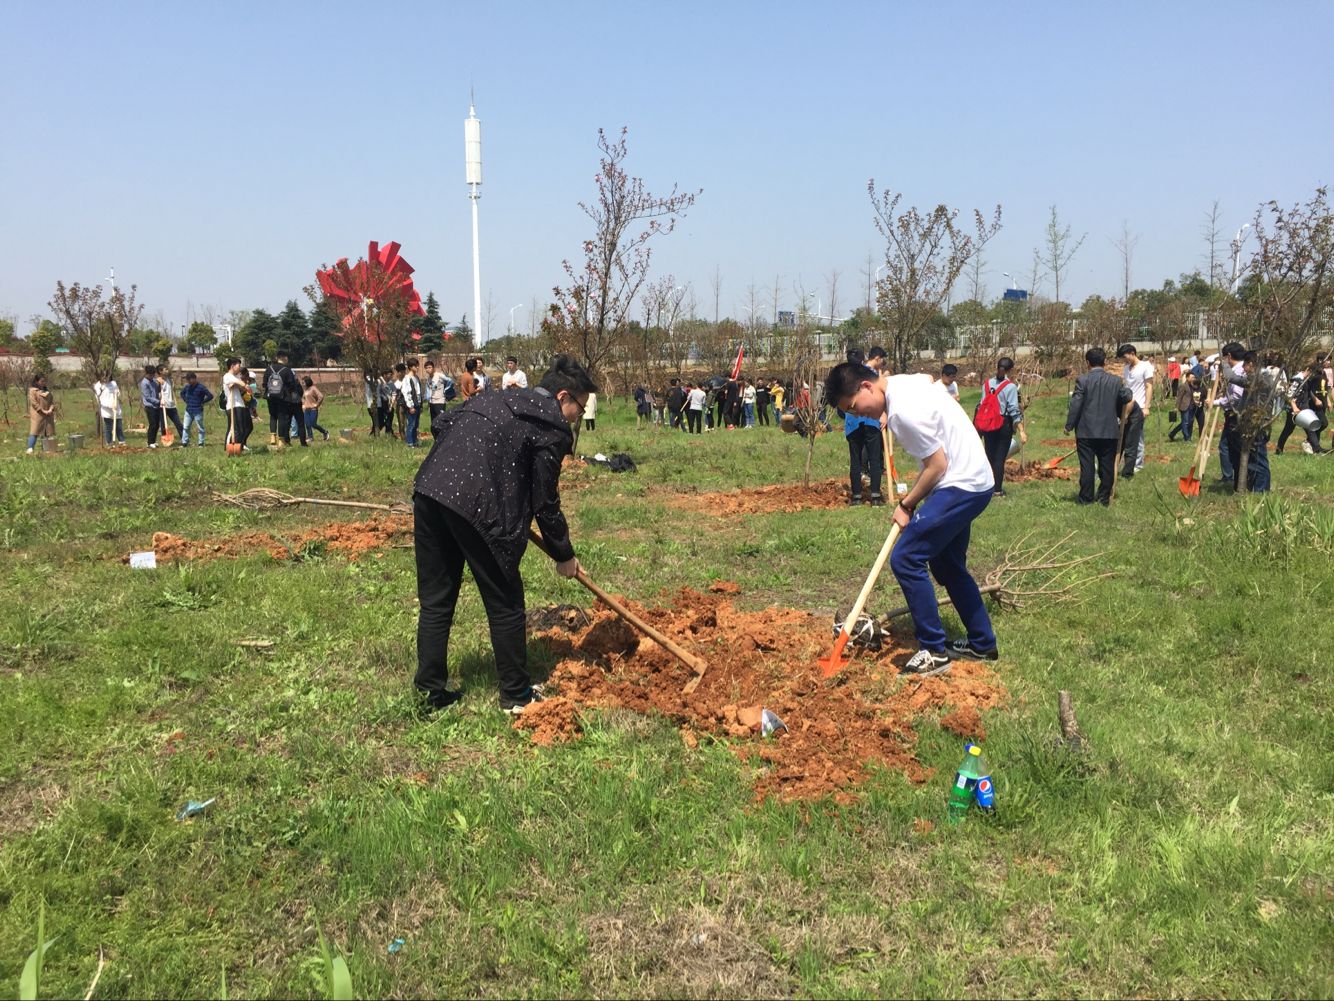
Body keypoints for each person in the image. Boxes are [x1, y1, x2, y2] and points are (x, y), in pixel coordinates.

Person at [413, 354, 595, 715]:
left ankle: (429, 693)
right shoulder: (551, 424)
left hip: (430, 489)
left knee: (436, 600)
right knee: (506, 601)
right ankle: (516, 696)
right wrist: (564, 554)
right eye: (580, 406)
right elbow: (545, 501)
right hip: (477, 505)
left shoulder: (497, 396)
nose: (578, 415)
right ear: (563, 397)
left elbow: (443, 424)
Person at [825, 362, 998, 677]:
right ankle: (982, 643)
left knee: (906, 558)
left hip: (961, 483)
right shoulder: (902, 384)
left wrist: (906, 505)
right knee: (946, 564)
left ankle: (933, 651)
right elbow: (927, 377)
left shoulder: (902, 413)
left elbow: (937, 465)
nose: (857, 415)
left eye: (853, 407)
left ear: (866, 386)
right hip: (976, 479)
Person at [1064, 348, 1134, 506]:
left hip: (1086, 431)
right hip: (1109, 431)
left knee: (1087, 466)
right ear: (1105, 362)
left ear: (1087, 363)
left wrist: (1069, 425)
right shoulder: (1115, 381)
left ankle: (1086, 498)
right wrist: (1126, 391)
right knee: (1107, 466)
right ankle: (1104, 498)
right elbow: (1127, 396)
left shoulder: (1083, 380)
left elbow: (1076, 404)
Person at [1218, 345, 1277, 492]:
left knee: (1258, 459)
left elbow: (1231, 378)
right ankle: (1255, 488)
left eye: (1244, 365)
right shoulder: (1265, 377)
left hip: (1257, 423)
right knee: (1254, 457)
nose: (1243, 369)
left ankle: (1261, 491)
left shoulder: (1258, 379)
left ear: (1251, 364)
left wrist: (1224, 363)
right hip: (1257, 421)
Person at [974, 357, 1025, 497]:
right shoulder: (1010, 387)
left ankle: (987, 487)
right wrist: (1021, 430)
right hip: (1003, 424)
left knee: (989, 456)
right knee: (999, 458)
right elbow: (1013, 409)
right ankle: (997, 490)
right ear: (1010, 370)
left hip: (988, 424)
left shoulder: (986, 384)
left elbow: (982, 404)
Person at [1115, 344, 1154, 478]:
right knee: (1125, 435)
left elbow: (1149, 386)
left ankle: (1138, 464)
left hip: (1139, 406)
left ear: (1132, 353)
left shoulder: (1145, 366)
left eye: (1125, 357)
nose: (1124, 360)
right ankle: (1125, 462)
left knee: (1137, 437)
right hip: (1127, 406)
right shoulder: (1126, 368)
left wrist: (1146, 407)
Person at [1276, 361, 1328, 454]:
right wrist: (1294, 407)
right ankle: (1279, 450)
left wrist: (1315, 399)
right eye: (1312, 373)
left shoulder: (1306, 380)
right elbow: (1289, 394)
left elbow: (1308, 391)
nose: (1312, 376)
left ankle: (1317, 449)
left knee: (1310, 427)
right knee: (1288, 430)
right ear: (1308, 369)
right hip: (1295, 409)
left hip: (1304, 408)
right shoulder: (1297, 380)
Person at [841, 403, 884, 506]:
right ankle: (875, 497)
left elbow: (841, 409)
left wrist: (853, 411)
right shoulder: (872, 392)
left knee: (855, 460)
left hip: (853, 423)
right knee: (874, 459)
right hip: (872, 420)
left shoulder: (845, 392)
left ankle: (856, 497)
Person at [265, 351, 308, 447]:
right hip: (283, 398)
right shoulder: (287, 370)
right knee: (282, 418)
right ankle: (282, 440)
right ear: (284, 357)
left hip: (270, 396)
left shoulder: (269, 369)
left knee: (273, 416)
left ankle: (273, 437)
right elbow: (292, 385)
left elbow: (264, 384)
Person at [222, 357, 253, 451]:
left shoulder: (236, 377)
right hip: (232, 405)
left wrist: (242, 385)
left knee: (241, 429)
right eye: (238, 366)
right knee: (233, 428)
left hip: (240, 405)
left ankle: (238, 447)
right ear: (232, 366)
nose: (239, 368)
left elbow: (241, 386)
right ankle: (228, 446)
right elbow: (239, 383)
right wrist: (243, 385)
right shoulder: (227, 376)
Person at [179, 372, 213, 447]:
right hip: (188, 410)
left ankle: (201, 443)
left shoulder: (201, 387)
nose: (188, 381)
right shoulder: (187, 387)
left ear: (194, 378)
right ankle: (184, 443)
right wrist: (186, 400)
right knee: (185, 427)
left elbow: (210, 396)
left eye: (189, 380)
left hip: (198, 410)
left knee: (200, 427)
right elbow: (182, 393)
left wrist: (202, 402)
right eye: (187, 380)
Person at [26, 374, 55, 454]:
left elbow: (52, 402)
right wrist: (42, 410)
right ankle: (30, 448)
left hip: (48, 414)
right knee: (35, 431)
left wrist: (50, 409)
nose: (43, 383)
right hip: (38, 414)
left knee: (47, 432)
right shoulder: (33, 391)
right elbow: (34, 403)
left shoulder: (47, 391)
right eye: (42, 381)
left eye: (44, 381)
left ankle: (46, 448)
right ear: (37, 381)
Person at [1167, 371, 1200, 443]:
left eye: (1194, 377)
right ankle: (1186, 438)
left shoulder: (1193, 386)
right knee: (1185, 423)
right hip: (1184, 406)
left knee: (1189, 422)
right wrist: (1176, 407)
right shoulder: (1183, 386)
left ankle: (1172, 434)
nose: (1193, 379)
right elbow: (1179, 397)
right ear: (1187, 378)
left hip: (1192, 407)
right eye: (1191, 377)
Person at [93, 374, 126, 445]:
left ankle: (122, 441)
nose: (105, 379)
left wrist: (117, 394)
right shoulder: (97, 386)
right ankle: (109, 442)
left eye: (106, 377)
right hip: (106, 411)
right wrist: (110, 406)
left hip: (116, 409)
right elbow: (99, 400)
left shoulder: (113, 383)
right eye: (103, 377)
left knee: (119, 426)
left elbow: (118, 393)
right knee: (108, 427)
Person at [157, 368, 184, 443]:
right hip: (162, 406)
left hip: (171, 406)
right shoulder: (158, 381)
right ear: (160, 371)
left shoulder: (170, 380)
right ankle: (165, 440)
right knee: (163, 425)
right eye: (165, 369)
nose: (167, 370)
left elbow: (172, 391)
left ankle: (184, 439)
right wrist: (160, 399)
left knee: (178, 423)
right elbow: (156, 393)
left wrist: (175, 401)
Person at [399, 359, 423, 447]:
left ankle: (415, 441)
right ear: (410, 367)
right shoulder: (407, 378)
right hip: (411, 405)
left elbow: (418, 392)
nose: (417, 367)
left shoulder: (416, 378)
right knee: (411, 424)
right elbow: (406, 393)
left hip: (417, 404)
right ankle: (409, 443)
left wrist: (420, 405)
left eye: (417, 365)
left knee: (416, 424)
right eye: (415, 366)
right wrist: (410, 406)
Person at [424, 359, 451, 431]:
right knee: (434, 422)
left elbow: (450, 381)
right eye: (426, 368)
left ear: (433, 368)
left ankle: (443, 435)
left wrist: (446, 391)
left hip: (440, 402)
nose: (428, 369)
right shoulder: (428, 379)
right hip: (432, 402)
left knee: (441, 421)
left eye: (429, 367)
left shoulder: (439, 375)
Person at [140, 365, 163, 448]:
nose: (152, 376)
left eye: (153, 374)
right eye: (150, 375)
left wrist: (160, 384)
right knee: (152, 424)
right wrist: (158, 401)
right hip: (149, 406)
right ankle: (150, 442)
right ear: (146, 374)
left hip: (157, 406)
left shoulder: (154, 381)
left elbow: (158, 390)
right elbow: (147, 397)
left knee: (157, 424)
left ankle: (153, 441)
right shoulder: (144, 383)